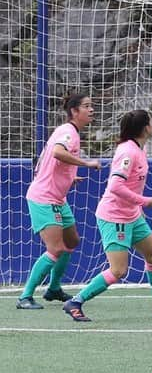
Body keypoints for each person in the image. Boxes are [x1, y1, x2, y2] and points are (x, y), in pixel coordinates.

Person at [63, 110, 152, 321]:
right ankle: (75, 301)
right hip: (115, 217)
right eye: (150, 121)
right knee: (118, 270)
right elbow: (115, 186)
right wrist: (143, 201)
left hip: (132, 215)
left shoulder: (141, 148)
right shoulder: (128, 152)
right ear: (144, 127)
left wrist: (137, 206)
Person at [17, 93, 101, 310]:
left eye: (91, 106)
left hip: (58, 198)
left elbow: (50, 162)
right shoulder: (67, 132)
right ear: (74, 111)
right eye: (86, 106)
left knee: (71, 241)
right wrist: (86, 163)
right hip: (43, 198)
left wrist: (70, 177)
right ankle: (25, 297)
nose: (91, 109)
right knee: (55, 248)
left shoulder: (70, 132)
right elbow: (56, 152)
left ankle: (54, 288)